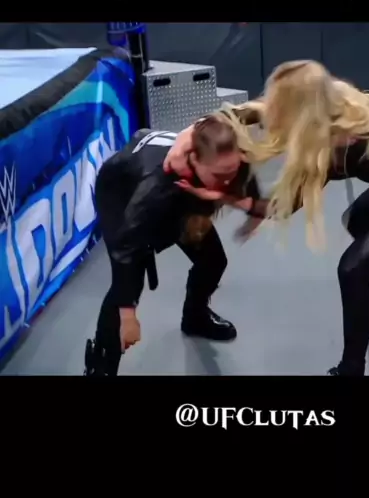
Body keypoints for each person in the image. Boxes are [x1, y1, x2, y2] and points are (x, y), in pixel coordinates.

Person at [165, 60, 369, 376]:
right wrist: (201, 128)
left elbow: (280, 209)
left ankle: (351, 370)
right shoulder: (329, 99)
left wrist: (222, 196)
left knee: (353, 270)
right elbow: (263, 109)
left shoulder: (335, 146)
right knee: (360, 220)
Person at [84, 115, 263, 377]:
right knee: (129, 283)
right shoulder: (156, 190)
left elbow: (242, 178)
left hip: (184, 190)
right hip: (120, 193)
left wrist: (254, 213)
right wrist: (128, 316)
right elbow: (125, 249)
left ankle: (195, 317)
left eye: (231, 172)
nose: (227, 182)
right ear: (195, 160)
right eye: (219, 176)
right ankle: (100, 366)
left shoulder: (228, 161)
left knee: (213, 259)